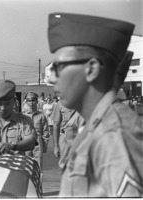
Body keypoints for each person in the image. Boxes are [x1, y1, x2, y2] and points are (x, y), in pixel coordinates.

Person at [47, 13, 142, 197]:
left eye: (58, 68)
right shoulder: (94, 124)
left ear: (91, 69)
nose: (51, 79)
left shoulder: (115, 133)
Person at [50, 100, 84, 168]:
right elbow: (56, 124)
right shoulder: (61, 103)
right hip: (65, 137)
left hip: (81, 136)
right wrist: (56, 147)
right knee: (65, 165)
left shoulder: (85, 100)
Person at [22, 92, 49, 171]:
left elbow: (45, 131)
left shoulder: (41, 115)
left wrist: (45, 145)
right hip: (26, 141)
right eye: (29, 100)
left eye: (33, 100)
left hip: (38, 141)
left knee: (38, 167)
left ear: (37, 101)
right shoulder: (22, 116)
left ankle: (38, 182)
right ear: (26, 102)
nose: (31, 102)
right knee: (26, 166)